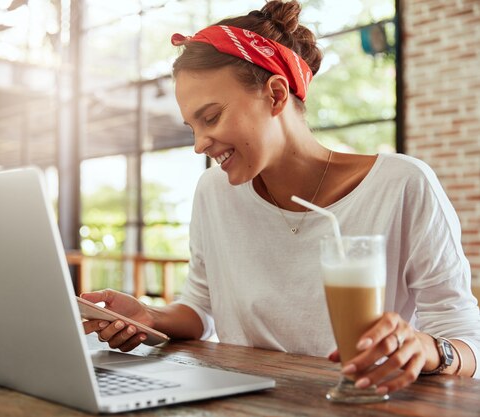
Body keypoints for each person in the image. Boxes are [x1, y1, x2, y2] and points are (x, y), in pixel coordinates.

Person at [81, 0, 480, 395]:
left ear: (275, 95)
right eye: (192, 127)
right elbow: (201, 308)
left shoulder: (401, 185)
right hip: (242, 402)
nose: (200, 144)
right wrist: (149, 316)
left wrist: (428, 348)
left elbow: (466, 341)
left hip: (363, 401)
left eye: (211, 117)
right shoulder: (214, 192)